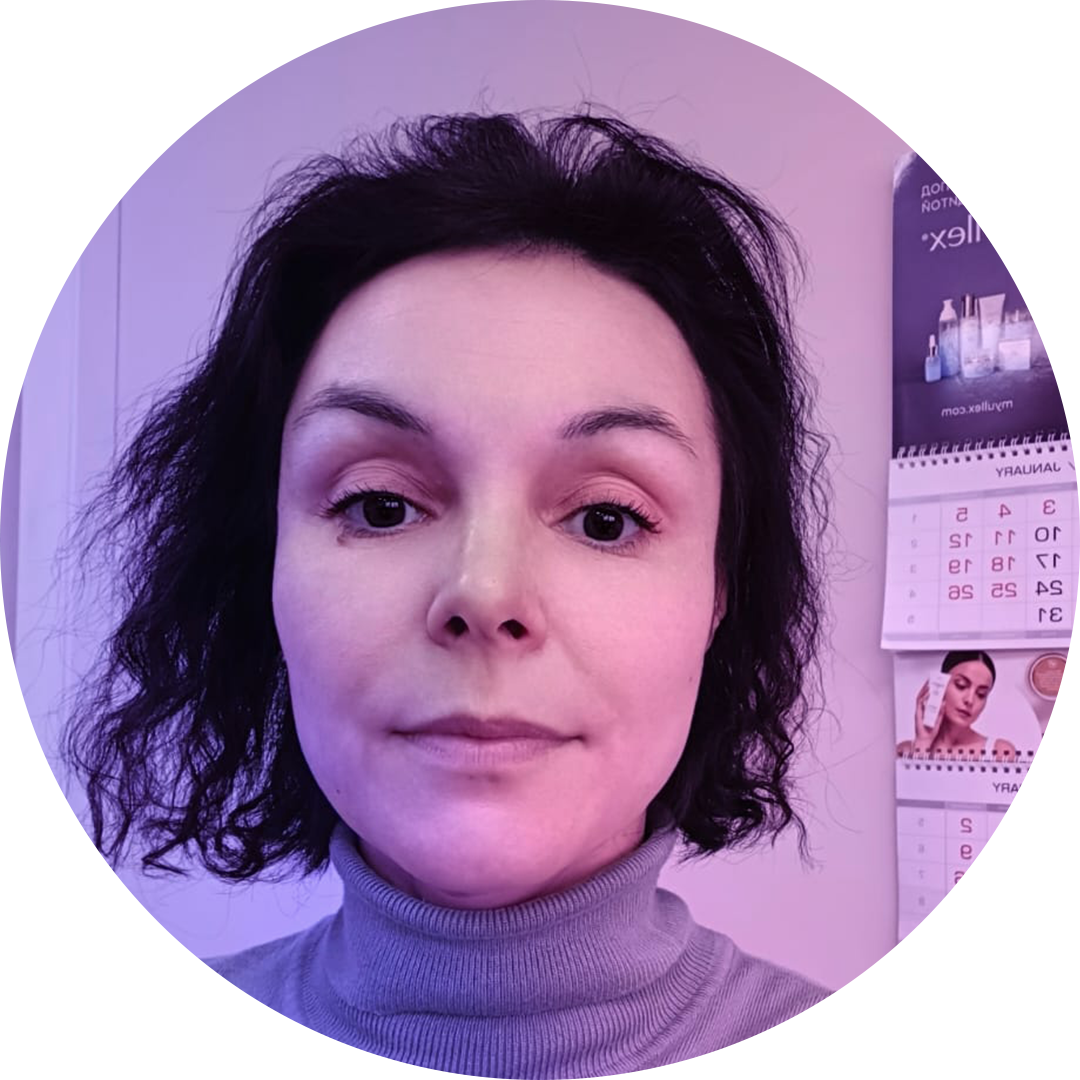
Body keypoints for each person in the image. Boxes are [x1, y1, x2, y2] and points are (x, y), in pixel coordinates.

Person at [0, 111, 1045, 1078]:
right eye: (378, 505)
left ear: (720, 593)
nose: (485, 591)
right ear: (261, 565)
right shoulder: (53, 1053)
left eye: (607, 519)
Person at [899, 968, 1041, 1065]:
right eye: (962, 999)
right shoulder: (911, 1021)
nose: (965, 1018)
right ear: (944, 985)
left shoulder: (984, 1042)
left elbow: (1028, 1056)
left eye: (977, 1015)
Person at [897, 650, 1017, 760]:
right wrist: (923, 742)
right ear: (940, 683)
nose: (970, 700)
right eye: (961, 685)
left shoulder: (999, 752)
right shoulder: (904, 751)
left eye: (981, 694)